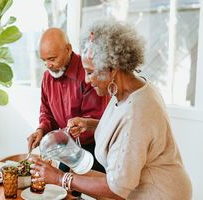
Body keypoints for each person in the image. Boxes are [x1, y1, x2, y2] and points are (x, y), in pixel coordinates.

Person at [29, 19, 192, 200]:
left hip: (160, 194)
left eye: (90, 72)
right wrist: (89, 125)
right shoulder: (126, 91)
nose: (88, 80)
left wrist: (60, 178)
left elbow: (116, 188)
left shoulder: (137, 111)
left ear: (112, 69)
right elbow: (123, 131)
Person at [27, 27, 109, 194]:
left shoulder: (89, 73)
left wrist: (63, 136)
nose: (48, 65)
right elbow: (46, 111)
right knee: (64, 194)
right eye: (44, 60)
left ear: (68, 49)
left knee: (100, 194)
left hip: (93, 150)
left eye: (52, 59)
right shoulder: (47, 76)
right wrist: (41, 129)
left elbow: (95, 119)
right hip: (66, 148)